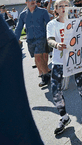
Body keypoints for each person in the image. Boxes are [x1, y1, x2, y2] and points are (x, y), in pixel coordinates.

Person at [46, 0, 82, 135]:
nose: (63, 8)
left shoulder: (76, 21)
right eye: (60, 6)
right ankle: (64, 117)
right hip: (58, 61)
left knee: (81, 86)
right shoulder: (51, 25)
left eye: (66, 6)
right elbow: (49, 39)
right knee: (55, 90)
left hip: (75, 59)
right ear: (55, 9)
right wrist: (56, 45)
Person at [0, 15, 44, 145]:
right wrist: (17, 36)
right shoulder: (23, 15)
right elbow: (19, 27)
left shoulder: (41, 12)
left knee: (15, 130)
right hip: (25, 41)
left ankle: (44, 74)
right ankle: (43, 74)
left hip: (7, 48)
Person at [14, 0, 51, 87]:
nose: (32, 1)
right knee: (37, 59)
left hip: (41, 37)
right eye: (30, 0)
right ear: (26, 3)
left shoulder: (43, 12)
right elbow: (19, 28)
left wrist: (51, 36)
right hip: (30, 39)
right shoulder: (23, 15)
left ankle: (45, 76)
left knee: (38, 56)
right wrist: (15, 38)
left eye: (34, 0)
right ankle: (45, 73)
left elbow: (49, 24)